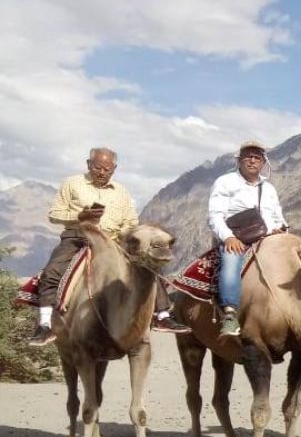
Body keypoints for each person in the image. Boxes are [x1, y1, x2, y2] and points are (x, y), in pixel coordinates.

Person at [30, 147, 188, 346]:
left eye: (108, 169)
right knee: (52, 271)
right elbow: (54, 214)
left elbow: (130, 222)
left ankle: (163, 315)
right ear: (89, 164)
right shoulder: (72, 183)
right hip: (78, 237)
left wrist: (130, 236)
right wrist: (80, 216)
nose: (102, 173)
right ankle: (45, 324)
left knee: (147, 266)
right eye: (98, 168)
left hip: (112, 242)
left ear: (114, 168)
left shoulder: (121, 191)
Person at [208, 140, 288, 337]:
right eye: (248, 156)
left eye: (257, 157)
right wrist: (228, 238)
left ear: (263, 163)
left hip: (268, 238)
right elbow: (215, 215)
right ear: (239, 160)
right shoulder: (225, 182)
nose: (252, 160)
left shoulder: (269, 188)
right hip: (237, 238)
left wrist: (282, 230)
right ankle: (230, 314)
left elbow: (279, 217)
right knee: (231, 261)